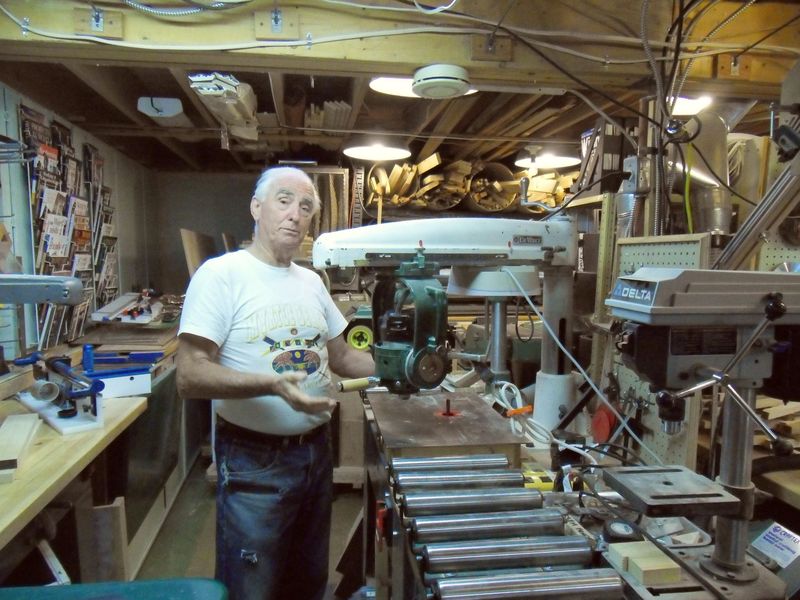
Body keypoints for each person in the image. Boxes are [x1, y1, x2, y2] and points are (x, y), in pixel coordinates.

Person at [176, 166, 375, 600]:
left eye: (305, 207)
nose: (295, 214)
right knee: (252, 587)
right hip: (254, 460)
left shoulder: (312, 281)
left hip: (316, 454)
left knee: (306, 582)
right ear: (256, 207)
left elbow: (343, 357)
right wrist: (272, 385)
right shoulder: (221, 274)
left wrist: (407, 368)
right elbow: (189, 375)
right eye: (284, 201)